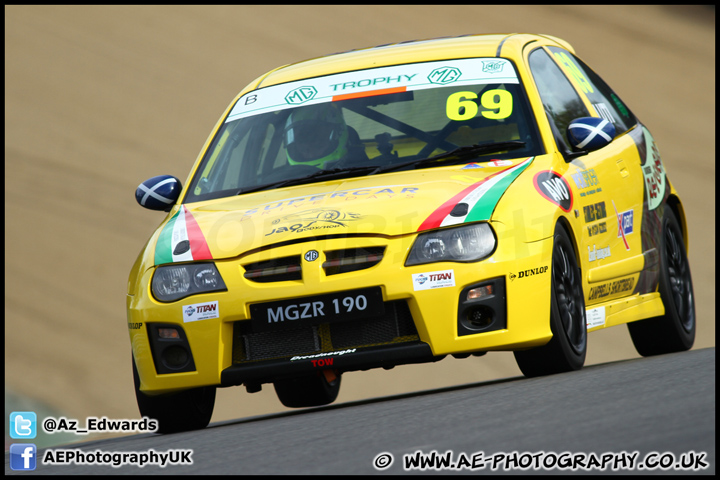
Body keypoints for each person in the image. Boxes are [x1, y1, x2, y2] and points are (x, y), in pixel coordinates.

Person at [284, 103, 368, 169]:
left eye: (318, 145)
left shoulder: (368, 171)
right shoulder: (280, 179)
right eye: (304, 149)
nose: (310, 153)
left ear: (339, 136)